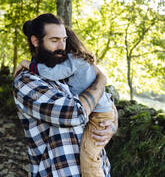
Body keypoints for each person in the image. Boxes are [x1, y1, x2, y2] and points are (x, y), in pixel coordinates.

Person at [13, 13, 118, 177]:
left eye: (64, 39)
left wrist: (111, 126)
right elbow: (74, 114)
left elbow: (106, 102)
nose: (62, 46)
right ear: (35, 41)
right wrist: (102, 79)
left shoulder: (65, 72)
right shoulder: (26, 81)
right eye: (54, 40)